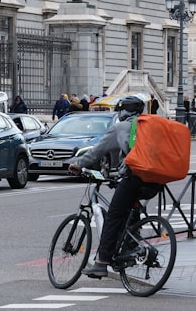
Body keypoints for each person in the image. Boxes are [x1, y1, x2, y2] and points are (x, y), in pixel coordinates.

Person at [67, 95, 160, 278]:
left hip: (134, 177)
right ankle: (132, 249)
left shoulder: (120, 127)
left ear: (123, 111)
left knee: (114, 217)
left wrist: (78, 164)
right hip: (155, 179)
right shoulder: (150, 126)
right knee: (130, 212)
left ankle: (101, 263)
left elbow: (98, 151)